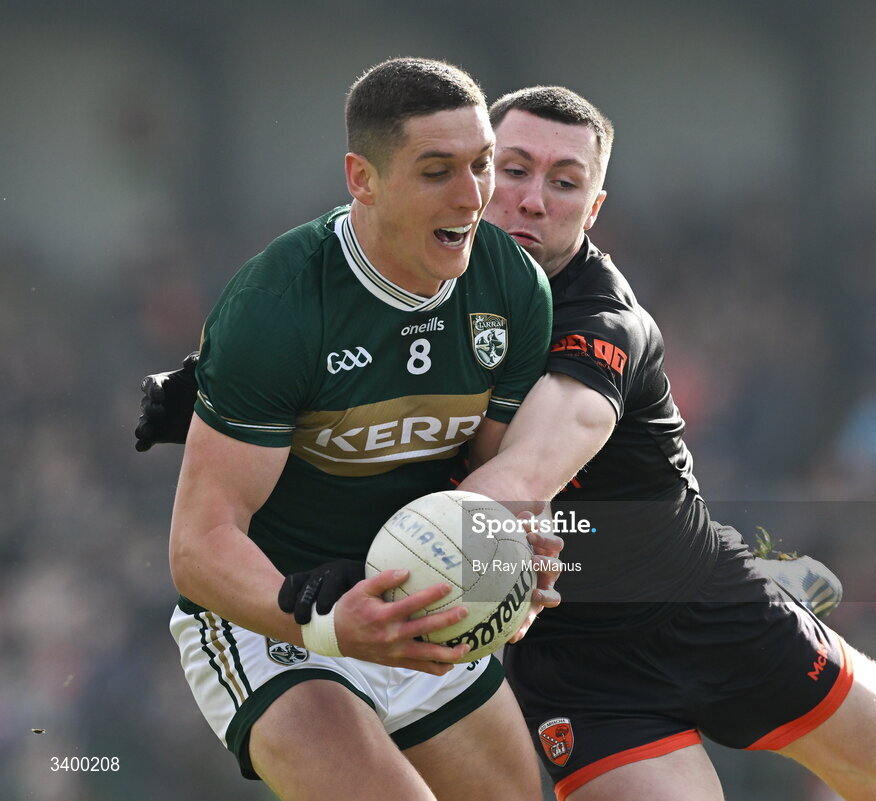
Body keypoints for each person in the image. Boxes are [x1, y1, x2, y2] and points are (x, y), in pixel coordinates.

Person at [137, 85, 876, 801]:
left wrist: (391, 563)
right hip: (575, 668)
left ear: (593, 207)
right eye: (517, 169)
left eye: (566, 182)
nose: (533, 199)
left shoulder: (603, 315)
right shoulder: (414, 273)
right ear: (477, 171)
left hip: (707, 606)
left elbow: (533, 462)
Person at [158, 57, 578, 801]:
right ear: (363, 178)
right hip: (279, 620)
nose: (473, 195)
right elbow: (199, 544)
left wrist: (517, 549)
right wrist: (323, 624)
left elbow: (482, 483)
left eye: (482, 165)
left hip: (424, 599)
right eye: (437, 171)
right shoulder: (278, 304)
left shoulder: (513, 287)